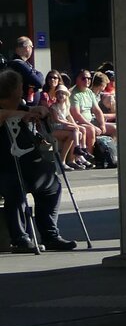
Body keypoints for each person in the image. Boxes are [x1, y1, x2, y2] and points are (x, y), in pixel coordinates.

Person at [0, 68, 77, 252]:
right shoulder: (7, 109)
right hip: (5, 168)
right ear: (13, 90)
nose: (22, 90)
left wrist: (40, 111)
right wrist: (21, 115)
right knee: (15, 189)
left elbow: (36, 109)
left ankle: (50, 235)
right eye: (20, 86)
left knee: (53, 186)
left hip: (30, 164)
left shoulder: (20, 105)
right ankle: (20, 239)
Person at [70, 69, 114, 139]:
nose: (87, 80)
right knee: (92, 130)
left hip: (91, 121)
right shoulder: (73, 94)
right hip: (80, 123)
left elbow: (97, 110)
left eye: (89, 78)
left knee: (115, 128)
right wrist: (93, 126)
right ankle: (90, 150)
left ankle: (111, 148)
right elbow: (76, 115)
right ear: (77, 79)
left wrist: (102, 124)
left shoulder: (89, 92)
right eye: (84, 78)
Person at [7, 36, 44, 105]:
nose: (32, 49)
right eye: (31, 47)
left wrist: (38, 75)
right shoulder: (18, 64)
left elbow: (39, 75)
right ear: (27, 48)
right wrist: (38, 75)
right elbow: (38, 82)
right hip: (23, 109)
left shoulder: (25, 64)